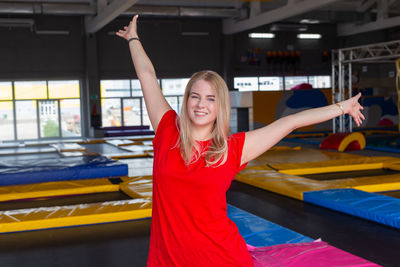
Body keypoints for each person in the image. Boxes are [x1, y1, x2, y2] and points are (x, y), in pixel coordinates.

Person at [116, 15, 365, 267]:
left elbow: (290, 122)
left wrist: (341, 107)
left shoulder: (232, 149)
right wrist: (133, 38)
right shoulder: (167, 129)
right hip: (168, 259)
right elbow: (147, 75)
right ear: (187, 100)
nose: (201, 104)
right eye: (195, 96)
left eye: (211, 99)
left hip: (220, 257)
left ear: (220, 105)